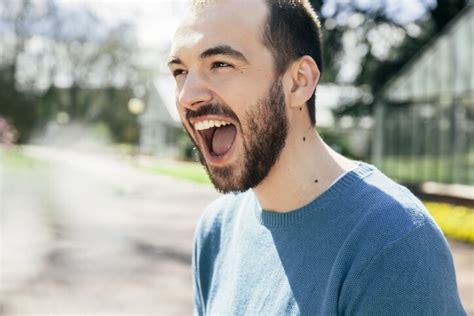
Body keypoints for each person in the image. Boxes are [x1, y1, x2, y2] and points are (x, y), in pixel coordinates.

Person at [167, 0, 466, 314]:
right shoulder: (216, 229)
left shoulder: (393, 242)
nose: (187, 95)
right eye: (180, 71)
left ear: (299, 81)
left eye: (220, 64)